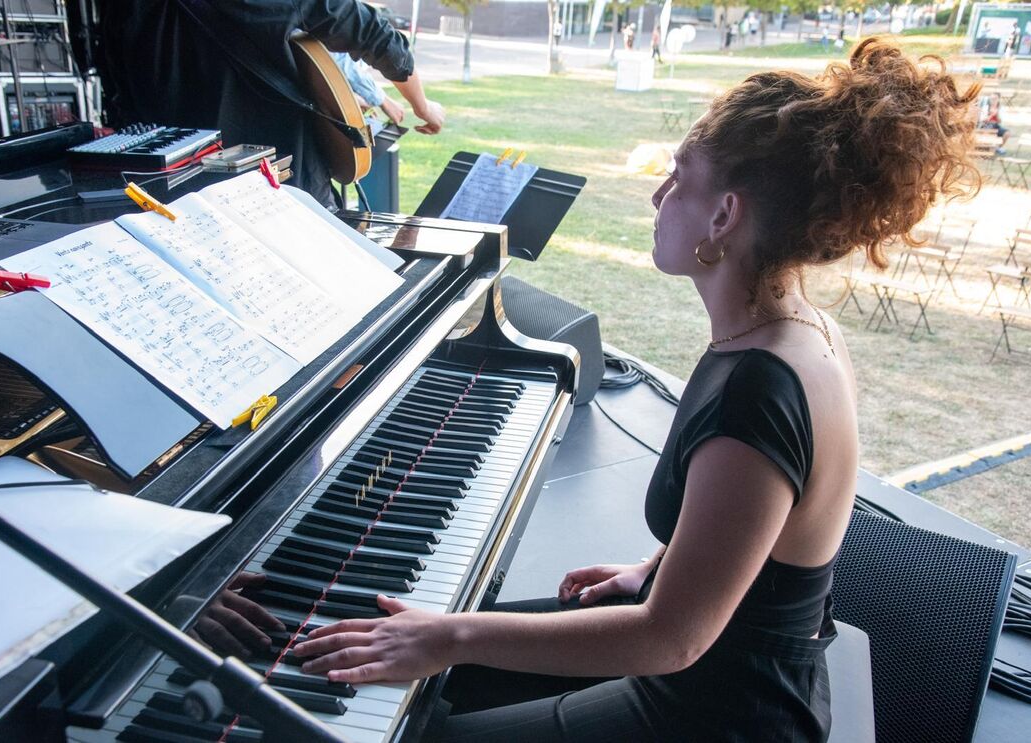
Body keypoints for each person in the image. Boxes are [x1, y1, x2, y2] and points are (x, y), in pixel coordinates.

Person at [291, 38, 980, 741]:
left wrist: (448, 636)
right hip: (720, 666)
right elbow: (763, 535)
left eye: (679, 179)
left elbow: (669, 640)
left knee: (423, 708)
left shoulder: (758, 389)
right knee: (439, 675)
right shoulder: (798, 330)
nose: (657, 196)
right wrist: (657, 569)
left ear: (723, 217)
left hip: (717, 712)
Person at [96, 0, 444, 207]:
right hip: (283, 189)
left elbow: (122, 98)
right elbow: (374, 35)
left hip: (173, 200)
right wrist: (423, 107)